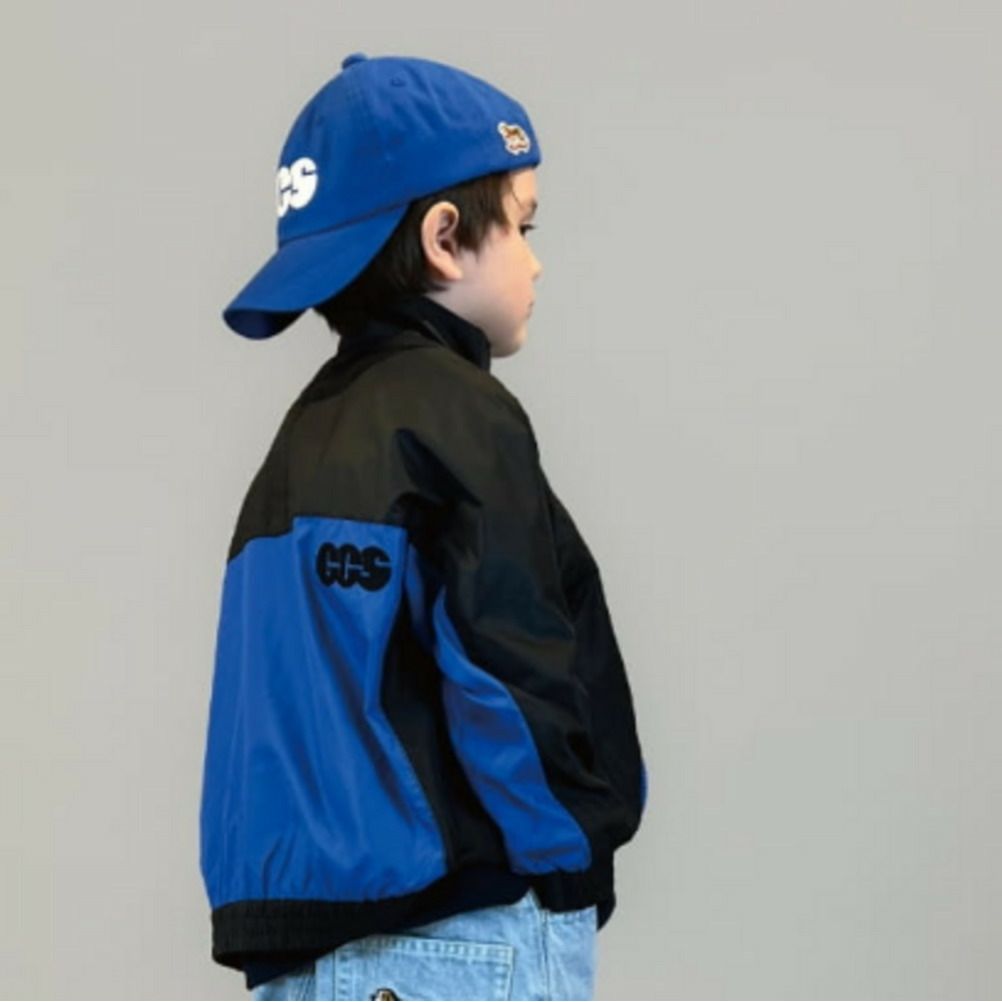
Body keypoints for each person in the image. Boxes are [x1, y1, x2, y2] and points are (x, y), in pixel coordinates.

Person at [199, 52, 648, 1001]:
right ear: (445, 237)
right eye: (522, 225)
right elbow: (508, 662)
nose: (534, 258)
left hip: (308, 954)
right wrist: (574, 856)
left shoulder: (305, 441)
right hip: (458, 938)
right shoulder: (456, 412)